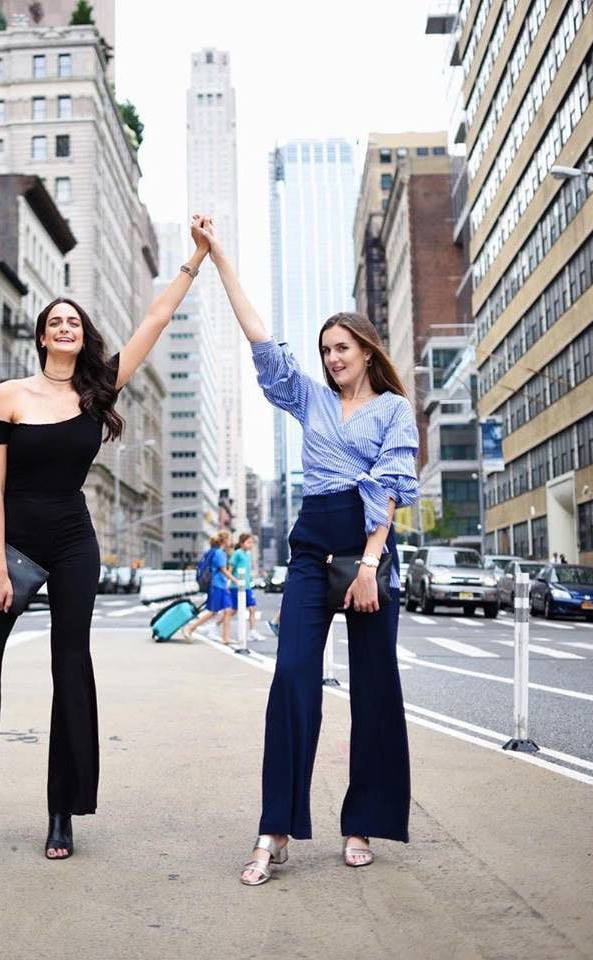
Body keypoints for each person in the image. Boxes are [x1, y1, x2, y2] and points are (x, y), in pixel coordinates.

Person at [0, 216, 211, 860]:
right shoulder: (8, 395)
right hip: (14, 545)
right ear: (41, 336)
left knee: (71, 668)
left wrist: (194, 261)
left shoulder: (98, 391)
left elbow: (153, 323)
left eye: (74, 321)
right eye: (55, 321)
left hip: (73, 542)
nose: (65, 328)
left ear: (82, 336)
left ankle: (61, 815)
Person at [193, 216, 419, 884]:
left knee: (375, 689)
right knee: (292, 678)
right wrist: (221, 259)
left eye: (343, 348)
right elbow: (261, 340)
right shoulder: (311, 402)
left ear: (368, 351)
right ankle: (276, 828)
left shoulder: (392, 413)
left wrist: (372, 565)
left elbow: (391, 490)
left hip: (368, 550)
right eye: (325, 349)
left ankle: (363, 823)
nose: (332, 358)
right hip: (310, 549)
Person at [183, 530, 238, 644]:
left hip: (221, 586)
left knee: (228, 610)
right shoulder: (219, 553)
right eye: (229, 539)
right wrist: (235, 580)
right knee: (213, 611)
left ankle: (225, 638)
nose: (231, 542)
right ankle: (190, 628)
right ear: (225, 540)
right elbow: (223, 570)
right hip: (217, 585)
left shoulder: (220, 552)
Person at [230, 533, 265, 641]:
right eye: (248, 542)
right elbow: (230, 569)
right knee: (233, 610)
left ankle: (252, 631)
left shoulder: (248, 554)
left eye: (251, 543)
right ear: (241, 543)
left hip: (247, 587)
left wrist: (249, 581)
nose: (250, 545)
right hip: (236, 587)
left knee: (252, 608)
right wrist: (233, 581)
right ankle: (214, 625)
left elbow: (248, 571)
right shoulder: (237, 554)